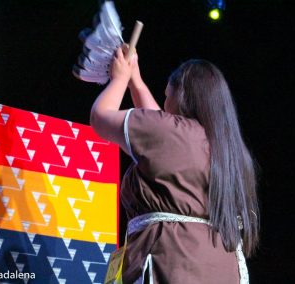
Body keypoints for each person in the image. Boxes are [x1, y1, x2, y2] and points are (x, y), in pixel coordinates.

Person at [90, 47, 259, 284]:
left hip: (172, 262)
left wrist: (120, 79)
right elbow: (158, 128)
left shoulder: (172, 135)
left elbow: (101, 117)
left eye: (168, 94)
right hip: (222, 267)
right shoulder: (231, 149)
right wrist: (135, 81)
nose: (164, 100)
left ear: (182, 96)